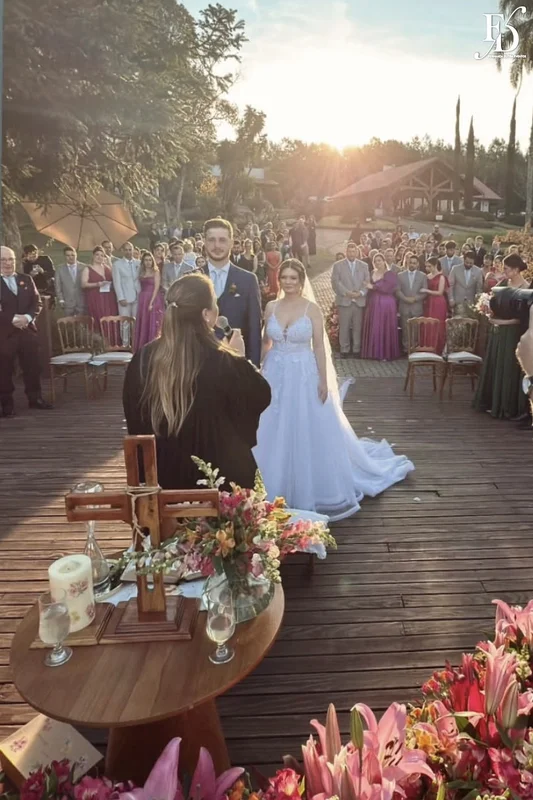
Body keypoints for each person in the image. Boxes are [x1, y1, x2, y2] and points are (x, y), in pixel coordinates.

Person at [253, 259, 413, 520]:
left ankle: (310, 487)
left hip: (303, 374)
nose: (289, 282)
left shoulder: (311, 309)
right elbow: (266, 341)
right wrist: (258, 369)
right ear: (279, 280)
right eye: (285, 277)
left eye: (294, 277)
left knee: (305, 424)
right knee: (272, 424)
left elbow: (318, 347)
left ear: (302, 281)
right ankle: (272, 481)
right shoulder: (271, 306)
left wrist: (323, 380)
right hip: (275, 372)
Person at [123, 273, 271, 490]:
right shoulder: (225, 362)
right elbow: (260, 396)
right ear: (206, 315)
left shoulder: (142, 359)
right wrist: (240, 358)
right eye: (215, 304)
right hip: (217, 482)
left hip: (162, 481)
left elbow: (134, 416)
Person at [474, 254, 530, 420]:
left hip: (512, 334)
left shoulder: (526, 288)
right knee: (495, 365)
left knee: (507, 368)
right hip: (498, 333)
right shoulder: (503, 283)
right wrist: (488, 310)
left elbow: (521, 318)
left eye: (506, 268)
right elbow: (493, 301)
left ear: (515, 269)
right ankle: (492, 402)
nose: (503, 271)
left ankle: (506, 406)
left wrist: (501, 322)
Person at [202, 217, 262, 367]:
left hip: (235, 363)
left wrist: (252, 366)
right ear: (204, 241)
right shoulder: (191, 279)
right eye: (211, 240)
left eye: (222, 240)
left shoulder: (248, 280)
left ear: (231, 241)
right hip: (198, 363)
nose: (217, 245)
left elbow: (254, 326)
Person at [0, 246, 53, 416]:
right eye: (3, 260)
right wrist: (13, 319)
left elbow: (36, 302)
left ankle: (35, 398)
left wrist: (28, 318)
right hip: (5, 334)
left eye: (11, 259)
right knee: (4, 370)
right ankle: (6, 404)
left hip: (27, 332)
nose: (8, 263)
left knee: (32, 367)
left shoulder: (26, 279)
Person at [331, 243, 369, 359]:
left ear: (357, 252)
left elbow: (367, 282)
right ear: (346, 252)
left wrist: (360, 293)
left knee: (358, 326)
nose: (352, 254)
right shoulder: (338, 265)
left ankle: (356, 349)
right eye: (350, 251)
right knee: (344, 326)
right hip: (344, 300)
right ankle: (344, 349)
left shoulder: (364, 265)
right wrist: (347, 293)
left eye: (354, 251)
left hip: (358, 301)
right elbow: (335, 282)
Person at [361, 253, 400, 361]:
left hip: (386, 303)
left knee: (384, 326)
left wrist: (373, 286)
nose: (377, 263)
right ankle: (373, 352)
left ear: (384, 261)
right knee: (375, 325)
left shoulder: (390, 274)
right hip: (374, 302)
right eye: (375, 261)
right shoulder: (372, 272)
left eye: (379, 260)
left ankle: (385, 354)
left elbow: (388, 287)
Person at [81, 246, 118, 331]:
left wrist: (109, 263)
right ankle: (101, 341)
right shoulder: (87, 269)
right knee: (99, 318)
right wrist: (97, 284)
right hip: (95, 297)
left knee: (110, 318)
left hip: (109, 298)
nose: (99, 257)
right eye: (97, 255)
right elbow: (83, 284)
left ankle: (112, 341)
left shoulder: (107, 268)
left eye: (102, 255)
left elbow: (115, 278)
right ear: (93, 256)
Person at [133, 251, 165, 351]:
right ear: (143, 261)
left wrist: (151, 302)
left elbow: (156, 287)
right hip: (143, 298)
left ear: (153, 261)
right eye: (146, 260)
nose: (148, 262)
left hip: (154, 298)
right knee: (144, 321)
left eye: (150, 260)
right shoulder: (141, 272)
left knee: (154, 321)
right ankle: (142, 345)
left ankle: (154, 346)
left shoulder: (156, 271)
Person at [397, 254, 428, 353]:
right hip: (404, 305)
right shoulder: (400, 275)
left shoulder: (423, 276)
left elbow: (424, 291)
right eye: (410, 263)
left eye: (414, 263)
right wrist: (405, 299)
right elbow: (397, 290)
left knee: (416, 329)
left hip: (416, 306)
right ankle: (406, 349)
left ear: (417, 264)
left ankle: (415, 348)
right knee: (405, 329)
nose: (412, 265)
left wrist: (415, 299)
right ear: (407, 263)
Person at [420, 257, 449, 355]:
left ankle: (437, 348)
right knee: (428, 323)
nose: (427, 268)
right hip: (429, 302)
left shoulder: (441, 277)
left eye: (429, 266)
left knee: (437, 323)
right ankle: (428, 347)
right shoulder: (427, 276)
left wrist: (426, 291)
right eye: (426, 266)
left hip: (438, 302)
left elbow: (440, 292)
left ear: (435, 265)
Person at [54, 246, 87, 317]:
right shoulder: (60, 269)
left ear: (76, 255)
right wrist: (61, 300)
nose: (71, 257)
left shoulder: (84, 267)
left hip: (82, 301)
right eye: (68, 255)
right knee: (69, 325)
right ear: (64, 256)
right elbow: (58, 286)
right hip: (67, 302)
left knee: (82, 324)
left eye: (73, 255)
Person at [448, 251, 483, 316]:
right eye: (467, 262)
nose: (468, 264)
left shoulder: (478, 271)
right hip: (457, 302)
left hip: (471, 303)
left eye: (471, 263)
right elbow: (450, 285)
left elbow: (479, 288)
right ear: (463, 260)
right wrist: (451, 298)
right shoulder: (455, 269)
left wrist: (478, 302)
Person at [112, 242, 140, 318]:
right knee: (125, 322)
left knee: (136, 321)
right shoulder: (117, 264)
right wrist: (121, 298)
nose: (128, 252)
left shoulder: (139, 263)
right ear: (122, 251)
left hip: (138, 297)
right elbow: (116, 283)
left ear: (133, 250)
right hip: (125, 297)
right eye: (126, 250)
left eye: (130, 250)